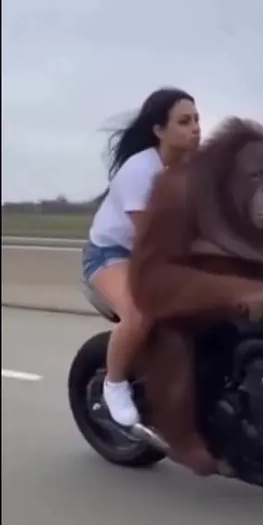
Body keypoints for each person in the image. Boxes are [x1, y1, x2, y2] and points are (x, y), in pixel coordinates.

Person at [82, 87, 201, 427]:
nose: (195, 128)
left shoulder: (195, 169)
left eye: (197, 120)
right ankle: (114, 384)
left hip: (160, 253)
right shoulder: (140, 170)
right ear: (159, 130)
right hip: (111, 254)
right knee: (140, 312)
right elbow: (152, 239)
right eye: (184, 122)